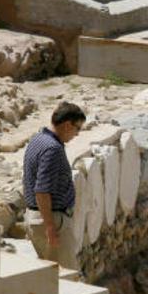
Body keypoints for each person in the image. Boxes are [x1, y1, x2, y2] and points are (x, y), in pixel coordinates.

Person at [23, 102, 86, 267]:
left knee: (48, 279)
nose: (77, 134)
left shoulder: (37, 139)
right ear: (67, 125)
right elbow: (42, 191)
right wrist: (51, 227)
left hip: (37, 217)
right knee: (66, 279)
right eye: (77, 128)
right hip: (51, 221)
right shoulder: (53, 149)